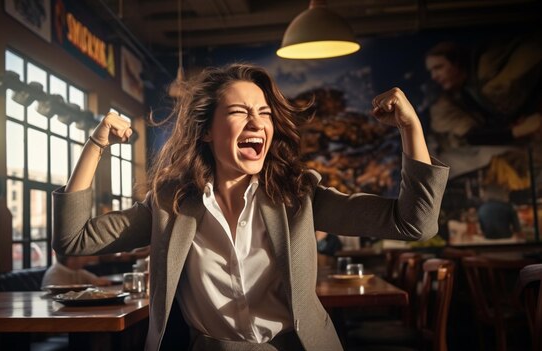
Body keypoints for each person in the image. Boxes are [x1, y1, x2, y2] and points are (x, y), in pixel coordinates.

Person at [52, 63, 449, 350]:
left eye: (264, 113)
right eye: (240, 112)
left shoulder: (298, 196)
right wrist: (97, 144)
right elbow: (73, 240)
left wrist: (410, 127)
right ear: (206, 131)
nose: (257, 123)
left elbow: (414, 224)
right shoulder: (170, 204)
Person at [424, 41, 541, 178]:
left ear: (456, 63)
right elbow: (472, 135)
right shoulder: (457, 96)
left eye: (439, 67)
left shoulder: (488, 73)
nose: (434, 76)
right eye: (431, 71)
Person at [41, 253, 112, 288]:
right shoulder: (54, 275)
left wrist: (99, 282)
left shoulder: (78, 271)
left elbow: (97, 281)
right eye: (82, 255)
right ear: (71, 258)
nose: (86, 258)